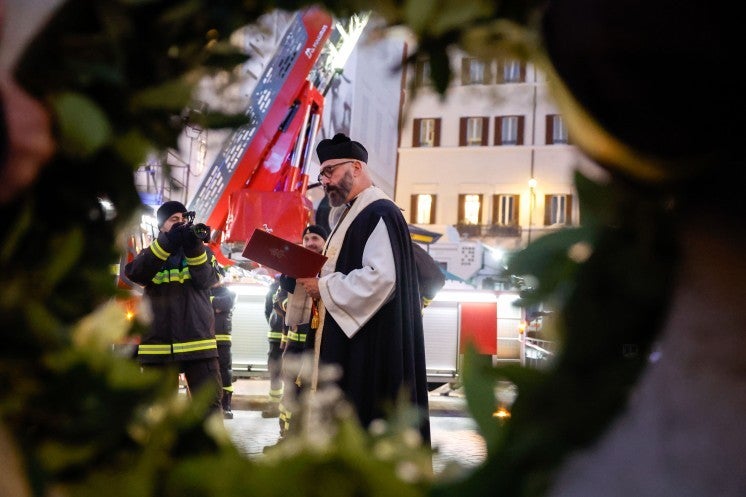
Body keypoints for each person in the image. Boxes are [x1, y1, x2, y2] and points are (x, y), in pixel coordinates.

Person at [293, 133, 431, 445]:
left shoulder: (378, 211)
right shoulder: (352, 213)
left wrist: (323, 286)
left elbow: (380, 279)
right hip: (352, 339)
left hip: (370, 347)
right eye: (322, 174)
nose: (325, 181)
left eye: (330, 171)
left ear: (356, 167)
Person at [124, 200, 223, 416]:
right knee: (159, 413)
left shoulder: (202, 252)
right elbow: (136, 273)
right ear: (161, 226)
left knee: (209, 410)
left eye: (184, 219)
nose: (181, 223)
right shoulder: (150, 253)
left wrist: (194, 246)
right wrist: (167, 244)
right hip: (159, 347)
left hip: (198, 345)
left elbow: (206, 280)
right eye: (174, 220)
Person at [277, 224, 328, 437]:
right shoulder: (294, 266)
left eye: (315, 238)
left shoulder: (329, 267)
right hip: (294, 343)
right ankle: (286, 436)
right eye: (306, 239)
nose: (310, 243)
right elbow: (281, 296)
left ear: (325, 243)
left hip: (316, 344)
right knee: (289, 391)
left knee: (313, 391)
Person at [210, 276, 237, 419]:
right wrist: (214, 304)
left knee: (225, 372)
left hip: (223, 341)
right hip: (205, 340)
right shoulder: (204, 292)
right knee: (208, 373)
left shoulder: (230, 293)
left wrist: (210, 303)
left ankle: (226, 406)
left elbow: (224, 303)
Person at [262, 275, 286, 418]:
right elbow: (268, 309)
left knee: (276, 373)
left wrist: (273, 323)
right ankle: (276, 407)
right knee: (278, 372)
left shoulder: (274, 286)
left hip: (278, 335)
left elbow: (267, 310)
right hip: (281, 335)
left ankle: (275, 407)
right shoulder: (278, 286)